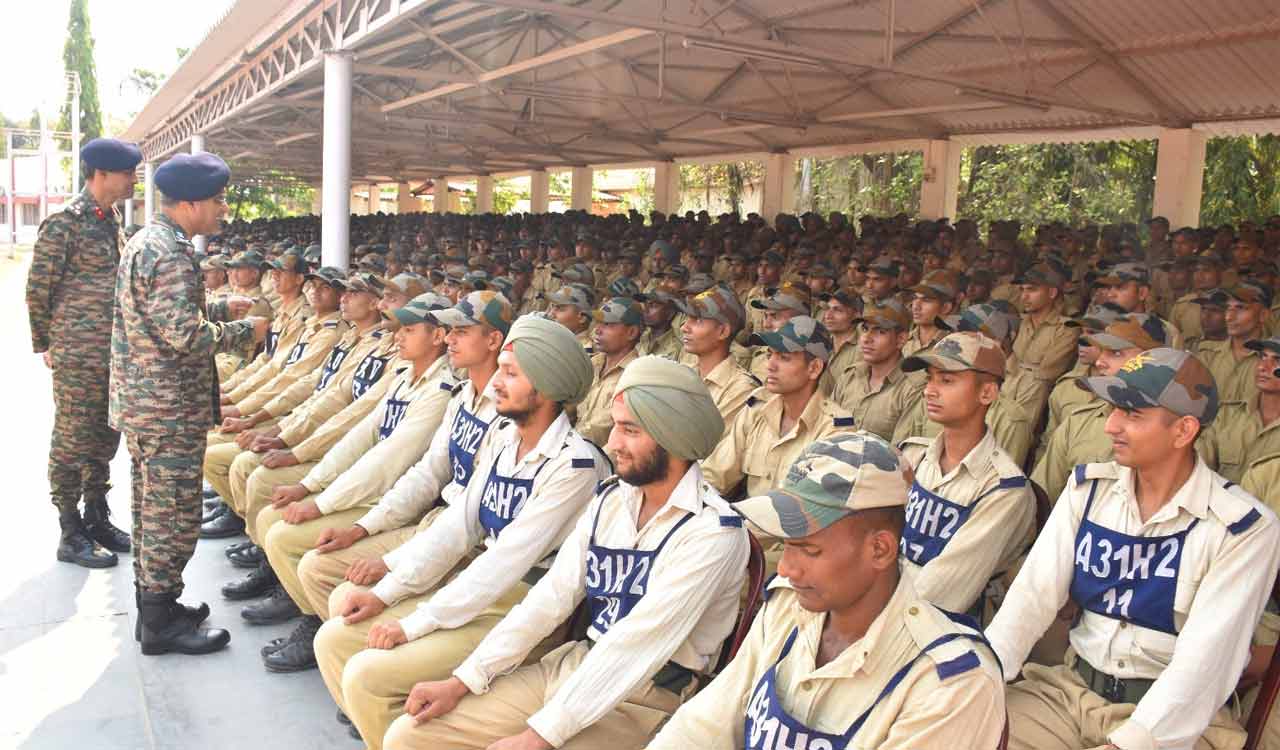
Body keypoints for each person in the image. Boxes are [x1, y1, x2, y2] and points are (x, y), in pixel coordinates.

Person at [380, 356, 747, 750]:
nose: (612, 443)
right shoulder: (611, 500)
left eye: (629, 430)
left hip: (648, 696)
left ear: (672, 438)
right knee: (412, 735)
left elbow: (636, 645)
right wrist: (463, 679)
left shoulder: (713, 533)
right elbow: (550, 597)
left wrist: (539, 736)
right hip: (575, 664)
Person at [315, 315, 605, 748]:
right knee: (336, 636)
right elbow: (459, 523)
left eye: (510, 374)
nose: (496, 385)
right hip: (478, 584)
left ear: (544, 388)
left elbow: (508, 560)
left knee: (366, 671)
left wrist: (413, 624)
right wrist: (388, 591)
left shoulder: (575, 466)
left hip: (522, 605)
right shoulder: (504, 435)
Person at [988, 348, 1280, 750]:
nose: (1111, 426)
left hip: (1175, 723)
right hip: (1070, 692)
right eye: (1113, 409)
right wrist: (981, 677)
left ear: (1184, 430)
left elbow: (1206, 662)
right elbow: (1030, 598)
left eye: (1133, 414)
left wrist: (1132, 743)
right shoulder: (1087, 491)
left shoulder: (1242, 527)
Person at [645, 432, 1006, 750]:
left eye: (809, 549)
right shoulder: (788, 608)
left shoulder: (951, 684)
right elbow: (705, 726)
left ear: (880, 549)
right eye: (786, 545)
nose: (786, 568)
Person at [109, 151, 269, 655]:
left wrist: (220, 305)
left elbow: (159, 315)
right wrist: (244, 330)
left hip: (148, 403)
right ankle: (160, 623)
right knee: (169, 515)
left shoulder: (151, 241)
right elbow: (182, 334)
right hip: (167, 408)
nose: (222, 209)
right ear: (193, 203)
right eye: (218, 201)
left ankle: (158, 606)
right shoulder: (170, 253)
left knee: (151, 507)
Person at [292, 292, 509, 635]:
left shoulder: (506, 412)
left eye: (461, 331)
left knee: (347, 601)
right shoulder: (462, 397)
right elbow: (428, 472)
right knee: (316, 566)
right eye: (449, 329)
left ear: (494, 339)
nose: (450, 338)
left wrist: (391, 564)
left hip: (470, 541)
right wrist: (360, 529)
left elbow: (469, 516)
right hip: (436, 523)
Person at [26, 137, 141, 568]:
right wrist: (47, 343)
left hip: (112, 351)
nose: (132, 180)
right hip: (78, 353)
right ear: (102, 173)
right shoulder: (65, 223)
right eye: (127, 173)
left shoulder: (110, 219)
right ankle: (69, 528)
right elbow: (38, 289)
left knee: (104, 436)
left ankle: (97, 514)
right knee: (73, 439)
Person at [896, 331, 1036, 621]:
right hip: (881, 601)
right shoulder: (915, 455)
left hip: (933, 627)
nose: (930, 390)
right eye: (929, 379)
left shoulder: (1004, 490)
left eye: (946, 380)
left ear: (987, 393)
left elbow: (941, 592)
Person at [830, 299, 919, 441]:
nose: (866, 338)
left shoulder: (912, 388)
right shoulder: (849, 376)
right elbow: (830, 426)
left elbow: (903, 453)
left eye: (880, 332)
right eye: (865, 329)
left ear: (901, 339)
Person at [677, 284, 759, 430]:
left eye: (698, 320)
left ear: (722, 332)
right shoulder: (684, 374)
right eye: (687, 318)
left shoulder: (741, 389)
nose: (684, 327)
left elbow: (698, 439)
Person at [576, 297, 643, 446]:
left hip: (600, 459)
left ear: (631, 333)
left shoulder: (635, 376)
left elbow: (600, 430)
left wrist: (564, 445)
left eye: (608, 324)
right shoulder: (591, 364)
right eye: (598, 323)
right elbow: (569, 406)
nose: (597, 330)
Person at [1198, 281, 1272, 403]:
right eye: (1227, 308)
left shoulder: (1273, 362)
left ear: (1263, 315)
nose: (1229, 317)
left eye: (1241, 307)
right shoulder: (1208, 356)